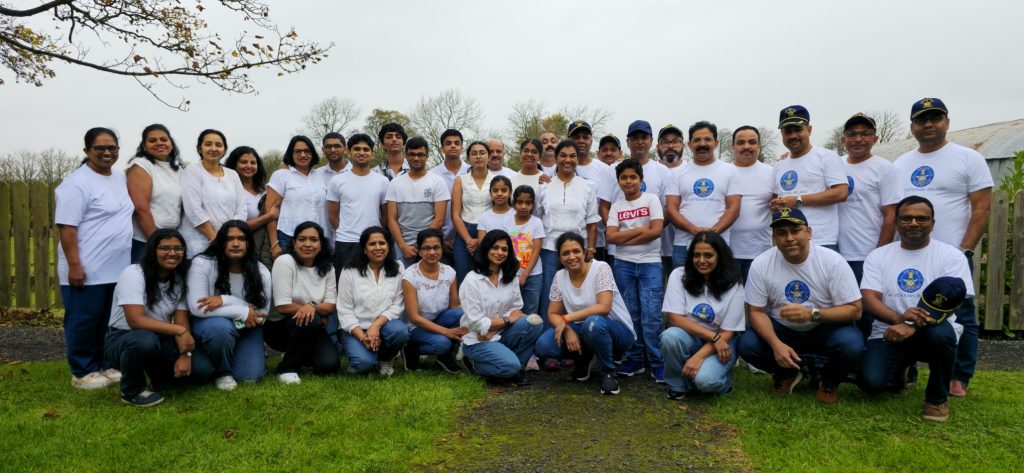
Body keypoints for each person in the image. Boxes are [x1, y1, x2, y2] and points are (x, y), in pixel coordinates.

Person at [892, 98, 993, 398]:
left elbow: (982, 208)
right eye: (921, 119)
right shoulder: (901, 163)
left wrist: (965, 250)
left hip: (952, 253)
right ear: (912, 126)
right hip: (909, 251)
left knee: (962, 315)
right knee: (906, 307)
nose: (928, 124)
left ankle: (958, 376)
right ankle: (907, 367)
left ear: (947, 122)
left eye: (935, 118)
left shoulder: (968, 158)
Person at [858, 196, 972, 422]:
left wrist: (911, 324)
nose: (913, 223)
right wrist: (899, 319)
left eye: (922, 218)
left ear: (933, 223)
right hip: (888, 332)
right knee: (871, 383)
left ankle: (937, 399)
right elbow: (869, 298)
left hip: (933, 330)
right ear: (896, 222)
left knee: (942, 336)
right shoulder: (878, 255)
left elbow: (955, 301)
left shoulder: (951, 256)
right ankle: (899, 374)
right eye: (906, 218)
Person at [737, 208, 863, 404]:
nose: (789, 238)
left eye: (795, 231)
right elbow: (756, 311)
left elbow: (855, 310)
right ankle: (787, 372)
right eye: (781, 233)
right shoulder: (761, 264)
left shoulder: (833, 261)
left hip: (824, 327)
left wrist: (813, 314)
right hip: (783, 329)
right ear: (774, 238)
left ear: (809, 232)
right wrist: (776, 345)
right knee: (748, 344)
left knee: (851, 344)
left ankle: (828, 380)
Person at [56, 127, 133, 389]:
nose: (107, 152)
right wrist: (74, 265)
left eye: (112, 147)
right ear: (87, 151)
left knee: (106, 320)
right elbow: (67, 227)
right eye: (100, 148)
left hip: (117, 267)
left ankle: (103, 363)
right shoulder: (76, 183)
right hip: (87, 267)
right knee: (84, 320)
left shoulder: (120, 178)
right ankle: (82, 371)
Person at [104, 229, 214, 406]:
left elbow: (181, 320)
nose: (172, 253)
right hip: (124, 337)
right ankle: (131, 391)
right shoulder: (134, 273)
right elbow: (135, 320)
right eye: (165, 248)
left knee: (202, 370)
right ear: (152, 251)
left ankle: (156, 375)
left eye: (178, 248)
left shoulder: (178, 279)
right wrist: (179, 330)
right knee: (144, 341)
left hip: (161, 336)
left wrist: (185, 354)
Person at [536, 232, 636, 395]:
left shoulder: (601, 268)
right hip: (584, 329)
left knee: (593, 323)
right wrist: (567, 330)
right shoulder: (560, 276)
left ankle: (609, 372)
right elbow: (553, 313)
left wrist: (567, 319)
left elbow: (604, 307)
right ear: (559, 257)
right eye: (565, 253)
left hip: (617, 331)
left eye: (576, 251)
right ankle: (584, 358)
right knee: (544, 344)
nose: (571, 257)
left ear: (584, 252)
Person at [660, 231, 745, 399]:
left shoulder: (734, 285)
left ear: (720, 257)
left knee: (705, 382)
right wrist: (713, 337)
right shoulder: (679, 275)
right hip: (695, 337)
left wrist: (699, 356)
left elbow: (728, 332)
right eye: (696, 255)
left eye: (708, 255)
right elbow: (674, 318)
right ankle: (677, 385)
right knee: (670, 336)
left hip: (723, 341)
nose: (701, 260)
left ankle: (724, 384)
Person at [187, 220, 271, 390]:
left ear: (249, 242)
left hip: (247, 328)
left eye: (241, 239)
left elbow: (262, 312)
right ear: (220, 242)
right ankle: (222, 372)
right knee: (220, 328)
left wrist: (225, 300)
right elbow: (197, 307)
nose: (235, 243)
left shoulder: (260, 270)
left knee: (249, 377)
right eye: (229, 239)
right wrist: (242, 311)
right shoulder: (203, 263)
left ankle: (231, 356)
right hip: (211, 326)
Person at [535, 139, 600, 353]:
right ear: (556, 158)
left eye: (572, 156)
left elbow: (592, 222)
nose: (568, 160)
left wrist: (590, 250)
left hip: (577, 252)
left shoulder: (587, 186)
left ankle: (582, 346)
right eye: (563, 155)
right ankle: (552, 348)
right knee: (550, 297)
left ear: (577, 159)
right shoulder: (544, 185)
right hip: (549, 249)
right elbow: (538, 218)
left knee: (578, 296)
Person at [606, 159, 666, 381]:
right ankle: (635, 359)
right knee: (630, 314)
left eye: (633, 177)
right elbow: (610, 237)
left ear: (641, 180)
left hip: (650, 264)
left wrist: (624, 238)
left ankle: (657, 362)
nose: (628, 181)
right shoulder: (617, 206)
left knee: (651, 315)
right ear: (619, 181)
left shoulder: (651, 199)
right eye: (624, 178)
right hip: (624, 264)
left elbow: (656, 231)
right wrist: (642, 230)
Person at [459, 230, 544, 385]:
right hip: (477, 339)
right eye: (495, 247)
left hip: (498, 333)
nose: (500, 252)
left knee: (535, 321)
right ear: (486, 249)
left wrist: (494, 328)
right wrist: (505, 320)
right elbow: (476, 324)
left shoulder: (510, 276)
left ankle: (516, 369)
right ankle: (474, 363)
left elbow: (516, 309)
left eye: (504, 249)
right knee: (509, 366)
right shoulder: (472, 280)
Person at [265, 222, 340, 384]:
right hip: (279, 327)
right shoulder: (284, 261)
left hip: (312, 325)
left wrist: (312, 306)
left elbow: (331, 306)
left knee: (329, 366)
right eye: (302, 239)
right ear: (294, 243)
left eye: (313, 239)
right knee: (312, 320)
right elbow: (283, 306)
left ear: (321, 244)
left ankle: (300, 356)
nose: (307, 244)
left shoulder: (328, 267)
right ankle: (287, 369)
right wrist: (317, 312)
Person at [769, 106, 848, 250]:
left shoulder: (827, 157)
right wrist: (776, 205)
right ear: (782, 134)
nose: (793, 135)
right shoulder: (779, 166)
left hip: (821, 241)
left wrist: (797, 200)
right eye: (787, 131)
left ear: (809, 130)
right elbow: (777, 199)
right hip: (788, 243)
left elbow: (841, 193)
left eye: (798, 129)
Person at [665, 121, 741, 268]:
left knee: (719, 283)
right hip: (684, 245)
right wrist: (693, 230)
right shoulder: (676, 174)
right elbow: (671, 209)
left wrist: (713, 233)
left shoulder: (730, 171)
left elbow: (734, 208)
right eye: (697, 140)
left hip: (718, 243)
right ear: (689, 144)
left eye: (707, 139)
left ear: (716, 143)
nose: (702, 144)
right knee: (682, 282)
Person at [336, 227, 409, 376]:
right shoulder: (349, 271)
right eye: (372, 244)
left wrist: (375, 325)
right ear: (364, 249)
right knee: (363, 365)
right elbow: (344, 310)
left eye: (382, 243)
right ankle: (364, 358)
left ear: (388, 246)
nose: (377, 247)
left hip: (384, 327)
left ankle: (385, 359)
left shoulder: (398, 268)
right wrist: (362, 337)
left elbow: (397, 304)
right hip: (355, 329)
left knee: (400, 331)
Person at [401, 228, 466, 373]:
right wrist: (446, 332)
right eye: (426, 248)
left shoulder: (449, 272)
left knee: (460, 313)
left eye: (436, 247)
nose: (432, 252)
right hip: (416, 327)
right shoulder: (410, 275)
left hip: (440, 320)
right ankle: (411, 349)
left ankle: (445, 357)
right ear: (419, 251)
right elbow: (414, 317)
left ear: (442, 249)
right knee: (442, 343)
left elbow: (454, 306)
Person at [178, 129, 247, 258]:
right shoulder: (192, 171)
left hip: (228, 244)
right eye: (208, 144)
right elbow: (193, 210)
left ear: (224, 150)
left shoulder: (232, 174)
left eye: (218, 145)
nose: (214, 148)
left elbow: (241, 210)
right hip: (198, 244)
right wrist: (215, 239)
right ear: (200, 148)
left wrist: (230, 238)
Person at [327, 133, 389, 272]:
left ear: (372, 154)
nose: (361, 152)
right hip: (346, 242)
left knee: (372, 282)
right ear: (348, 152)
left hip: (373, 243)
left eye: (366, 149)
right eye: (357, 149)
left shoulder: (383, 181)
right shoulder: (337, 181)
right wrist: (346, 231)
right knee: (344, 283)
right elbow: (332, 215)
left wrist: (375, 234)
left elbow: (386, 215)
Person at [386, 137, 450, 267]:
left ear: (427, 156)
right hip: (402, 247)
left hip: (430, 246)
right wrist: (403, 246)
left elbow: (439, 220)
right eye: (412, 154)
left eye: (420, 154)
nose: (416, 158)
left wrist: (420, 245)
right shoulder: (395, 183)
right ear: (406, 156)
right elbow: (391, 219)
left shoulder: (437, 182)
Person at [266, 135, 332, 258]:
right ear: (291, 154)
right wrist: (274, 244)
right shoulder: (281, 175)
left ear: (313, 153)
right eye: (298, 151)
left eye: (307, 151)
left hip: (319, 239)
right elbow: (270, 214)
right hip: (289, 237)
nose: (302, 155)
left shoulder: (321, 175)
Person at [126, 124, 183, 263]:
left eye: (164, 139)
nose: (159, 143)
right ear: (144, 146)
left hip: (172, 241)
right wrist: (157, 242)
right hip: (146, 242)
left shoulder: (178, 170)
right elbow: (140, 209)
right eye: (152, 140)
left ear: (171, 143)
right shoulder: (141, 165)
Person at [729, 126, 774, 281]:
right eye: (741, 142)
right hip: (727, 252)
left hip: (760, 252)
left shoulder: (772, 172)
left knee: (759, 296)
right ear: (733, 146)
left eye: (752, 142)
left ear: (759, 145)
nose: (746, 146)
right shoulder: (723, 172)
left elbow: (779, 206)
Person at [569, 120, 615, 262]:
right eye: (576, 137)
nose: (581, 141)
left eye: (585, 137)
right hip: (566, 240)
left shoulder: (605, 169)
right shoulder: (561, 167)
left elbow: (608, 205)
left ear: (591, 140)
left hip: (595, 242)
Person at [451, 141, 496, 284]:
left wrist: (481, 240)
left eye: (482, 153)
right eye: (474, 153)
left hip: (490, 232)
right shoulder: (460, 181)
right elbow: (455, 214)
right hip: (464, 233)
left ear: (489, 157)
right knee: (464, 278)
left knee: (487, 277)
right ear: (468, 158)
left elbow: (500, 212)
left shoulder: (497, 180)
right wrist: (469, 240)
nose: (478, 156)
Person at [476, 175, 514, 243]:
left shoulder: (517, 215)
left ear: (510, 192)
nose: (499, 194)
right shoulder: (484, 217)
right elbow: (482, 244)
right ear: (490, 193)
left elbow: (517, 240)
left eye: (504, 190)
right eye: (495, 190)